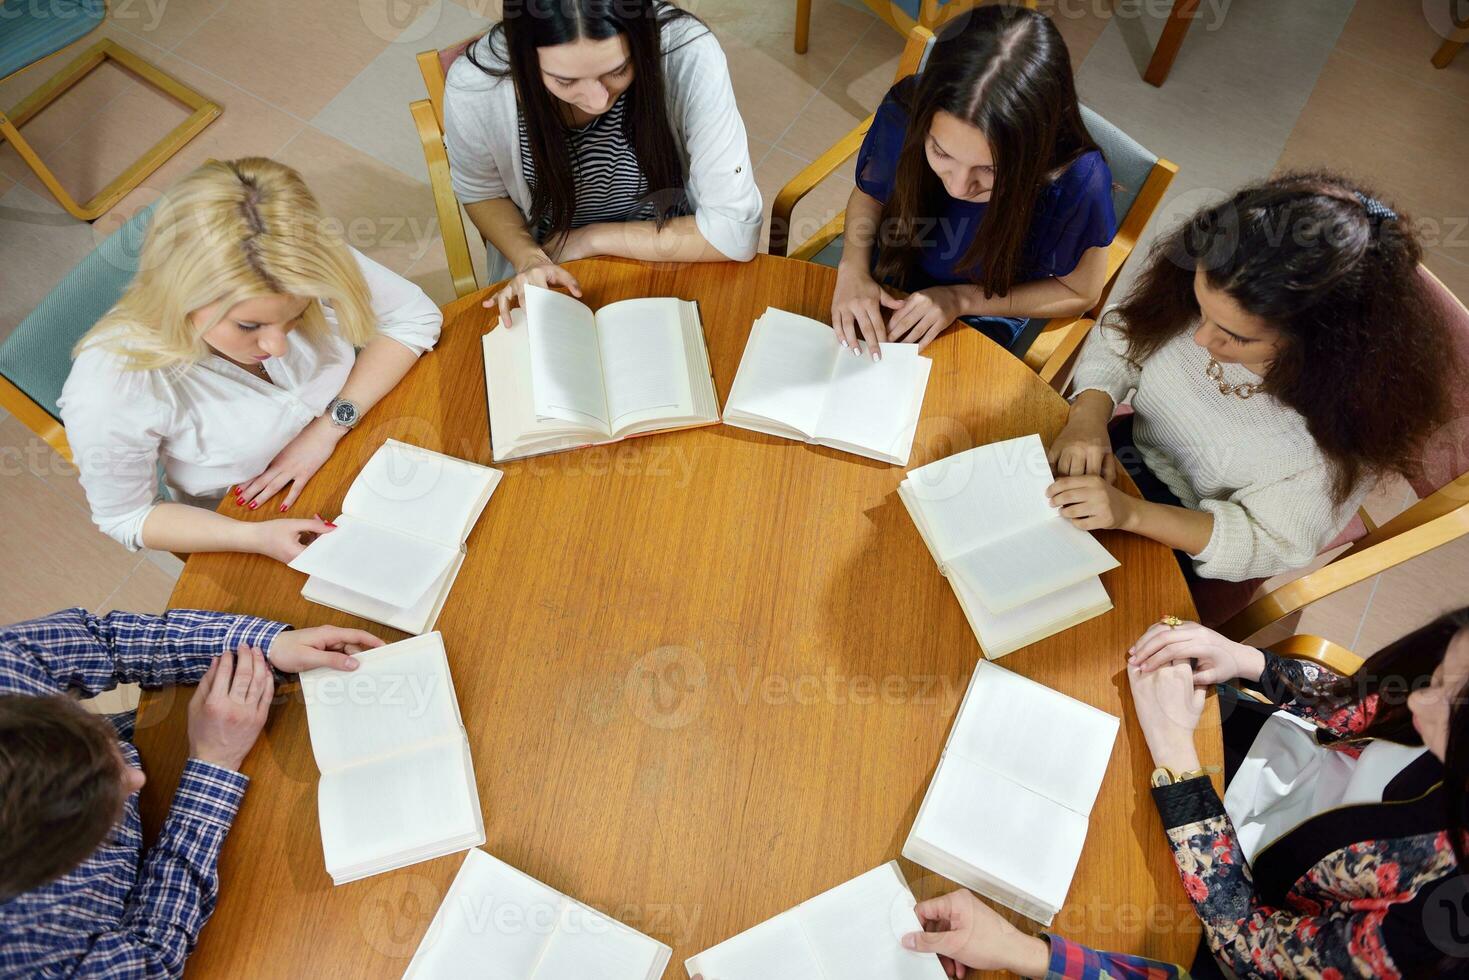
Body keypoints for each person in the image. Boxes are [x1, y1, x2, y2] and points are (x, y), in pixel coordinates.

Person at [1046, 173, 1459, 608]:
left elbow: (1264, 540)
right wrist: (1089, 414)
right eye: (1200, 308)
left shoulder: (1331, 439)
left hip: (1194, 537)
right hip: (1118, 453)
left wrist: (1130, 513)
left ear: (1321, 346)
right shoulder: (1218, 293)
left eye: (1236, 337)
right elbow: (1124, 334)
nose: (1201, 340)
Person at [59, 158, 443, 564]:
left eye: (297, 315)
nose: (277, 346)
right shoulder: (110, 387)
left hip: (363, 433)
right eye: (248, 325)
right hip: (257, 516)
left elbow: (413, 317)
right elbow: (129, 516)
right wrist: (253, 537)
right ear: (180, 295)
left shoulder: (282, 248)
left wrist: (327, 428)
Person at [0, 607, 382, 975]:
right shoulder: (23, 953)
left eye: (100, 741)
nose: (135, 778)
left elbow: (105, 641)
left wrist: (263, 647)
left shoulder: (7, 671)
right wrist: (212, 768)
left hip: (174, 745)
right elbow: (151, 955)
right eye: (101, 807)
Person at [1127, 609, 1469, 977]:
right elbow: (1374, 709)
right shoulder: (1430, 713)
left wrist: (1174, 751)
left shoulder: (1434, 929)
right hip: (1285, 766)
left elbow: (1248, 943)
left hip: (1236, 909)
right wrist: (1245, 660)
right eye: (1435, 679)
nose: (1418, 700)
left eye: (1448, 704)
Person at [444, 0, 762, 323]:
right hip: (554, 267)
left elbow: (734, 232)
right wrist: (528, 257)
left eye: (618, 71)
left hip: (675, 251)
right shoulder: (478, 88)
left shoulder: (688, 53)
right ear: (524, 58)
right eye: (565, 81)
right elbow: (482, 192)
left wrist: (590, 239)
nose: (597, 101)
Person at [831, 4, 1116, 358]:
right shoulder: (906, 110)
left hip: (986, 308)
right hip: (891, 269)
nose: (959, 187)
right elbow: (870, 196)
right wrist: (852, 267)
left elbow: (1081, 292)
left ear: (1034, 153)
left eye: (990, 170)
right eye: (941, 153)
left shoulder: (1075, 181)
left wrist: (959, 299)